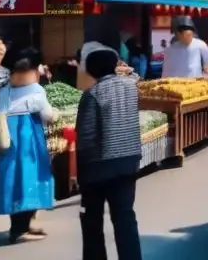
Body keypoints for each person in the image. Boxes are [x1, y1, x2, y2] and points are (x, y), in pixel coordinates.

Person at [76, 45, 143, 260]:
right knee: (125, 217)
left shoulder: (92, 94)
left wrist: (79, 173)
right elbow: (135, 75)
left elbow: (86, 138)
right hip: (128, 162)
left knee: (92, 220)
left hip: (99, 167)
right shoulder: (131, 86)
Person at [0, 48, 56, 246]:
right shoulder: (37, 91)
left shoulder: (2, 88)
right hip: (28, 144)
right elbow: (48, 115)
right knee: (26, 182)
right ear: (33, 71)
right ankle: (19, 228)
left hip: (0, 140)